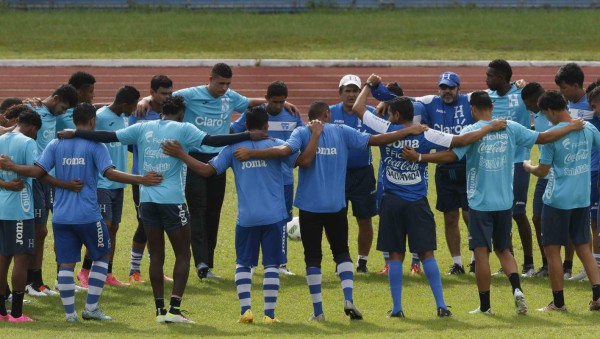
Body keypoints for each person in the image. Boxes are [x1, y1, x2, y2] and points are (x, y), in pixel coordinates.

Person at [61, 96, 267, 323]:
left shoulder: (142, 128)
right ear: (181, 112)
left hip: (147, 201)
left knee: (156, 255)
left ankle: (159, 311)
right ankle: (174, 310)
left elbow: (108, 136)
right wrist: (248, 135)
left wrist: (77, 133)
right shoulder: (184, 128)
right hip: (172, 202)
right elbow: (214, 140)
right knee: (183, 254)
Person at [232, 100, 437, 321]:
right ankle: (348, 298)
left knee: (312, 257)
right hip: (336, 205)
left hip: (309, 206)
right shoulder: (343, 131)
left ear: (310, 117)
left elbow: (286, 152)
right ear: (327, 114)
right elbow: (376, 140)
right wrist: (409, 130)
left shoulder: (302, 132)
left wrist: (252, 153)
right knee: (342, 252)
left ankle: (318, 311)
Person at [401, 91, 584, 315]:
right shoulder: (510, 127)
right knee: (504, 250)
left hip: (480, 202)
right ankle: (517, 289)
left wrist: (420, 157)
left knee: (481, 254)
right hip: (505, 202)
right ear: (491, 106)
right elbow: (543, 138)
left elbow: (450, 156)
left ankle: (486, 306)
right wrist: (572, 127)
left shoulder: (471, 131)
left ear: (473, 109)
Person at [353, 83, 509, 318]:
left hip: (391, 201)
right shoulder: (425, 133)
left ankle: (397, 309)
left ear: (395, 115)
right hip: (417, 202)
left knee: (395, 255)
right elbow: (461, 140)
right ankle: (441, 306)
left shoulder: (386, 129)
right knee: (427, 254)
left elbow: (358, 108)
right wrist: (490, 127)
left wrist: (368, 84)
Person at [0, 103, 163, 322]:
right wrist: (140, 179)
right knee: (103, 254)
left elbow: (39, 173)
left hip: (60, 217)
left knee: (66, 263)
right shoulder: (95, 146)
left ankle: (70, 315)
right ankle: (91, 308)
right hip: (88, 215)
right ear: (93, 121)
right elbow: (110, 174)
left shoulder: (55, 144)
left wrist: (14, 168)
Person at [136, 63, 297, 279]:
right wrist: (145, 100)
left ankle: (208, 264)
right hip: (195, 157)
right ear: (210, 79)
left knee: (214, 211)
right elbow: (167, 98)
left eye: (228, 84)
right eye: (221, 83)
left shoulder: (230, 97)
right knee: (198, 210)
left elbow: (249, 103)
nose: (224, 88)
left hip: (219, 158)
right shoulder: (191, 95)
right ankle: (201, 263)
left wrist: (284, 103)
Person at [163, 106, 301, 323]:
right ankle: (269, 315)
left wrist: (181, 154)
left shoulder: (233, 148)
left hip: (246, 218)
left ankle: (245, 311)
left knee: (243, 264)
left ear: (246, 126)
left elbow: (206, 171)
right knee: (272, 265)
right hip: (274, 216)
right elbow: (301, 160)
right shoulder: (277, 146)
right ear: (266, 126)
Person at [522, 90, 600, 312]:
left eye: (546, 114)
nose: (547, 119)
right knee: (584, 247)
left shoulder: (551, 135)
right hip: (582, 197)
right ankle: (598, 296)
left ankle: (558, 303)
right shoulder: (587, 128)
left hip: (557, 199)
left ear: (551, 110)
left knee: (552, 250)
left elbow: (543, 170)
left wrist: (528, 166)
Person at [231, 80, 303, 276]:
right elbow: (233, 131)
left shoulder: (293, 115)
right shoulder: (255, 114)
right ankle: (251, 263)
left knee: (281, 221)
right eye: (275, 102)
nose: (278, 106)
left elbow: (302, 138)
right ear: (266, 99)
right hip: (257, 176)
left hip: (285, 179)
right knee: (255, 218)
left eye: (282, 102)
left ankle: (280, 264)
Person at [77, 85, 140, 288]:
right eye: (133, 105)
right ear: (124, 104)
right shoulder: (100, 117)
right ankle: (86, 270)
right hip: (101, 180)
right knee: (104, 226)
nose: (134, 110)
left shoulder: (122, 117)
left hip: (118, 182)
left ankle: (107, 272)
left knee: (114, 228)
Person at [412, 71, 474, 275]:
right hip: (443, 168)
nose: (446, 91)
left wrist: (517, 86)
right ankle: (457, 263)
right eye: (443, 87)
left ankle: (475, 258)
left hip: (467, 166)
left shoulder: (469, 100)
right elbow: (402, 100)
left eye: (450, 87)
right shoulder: (430, 102)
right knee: (450, 217)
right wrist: (381, 98)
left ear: (459, 88)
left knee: (469, 214)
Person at [367, 77, 426, 275]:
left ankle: (414, 262)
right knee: (387, 219)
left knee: (408, 221)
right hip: (389, 175)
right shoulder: (386, 117)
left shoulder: (409, 115)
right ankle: (390, 263)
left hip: (408, 175)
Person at [26, 84, 78, 297]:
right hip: (35, 178)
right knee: (39, 231)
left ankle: (37, 282)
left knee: (43, 231)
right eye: (63, 107)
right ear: (55, 98)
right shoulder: (32, 112)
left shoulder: (53, 115)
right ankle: (31, 281)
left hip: (48, 179)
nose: (63, 113)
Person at [486, 59, 536, 277]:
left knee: (518, 212)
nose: (486, 79)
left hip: (518, 161)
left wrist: (522, 84)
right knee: (501, 212)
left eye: (490, 76)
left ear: (502, 77)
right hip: (497, 163)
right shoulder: (487, 98)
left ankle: (530, 263)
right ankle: (509, 261)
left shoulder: (520, 94)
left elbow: (541, 98)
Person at [328, 74, 378, 273]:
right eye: (347, 91)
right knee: (337, 219)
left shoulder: (370, 113)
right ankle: (342, 260)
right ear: (340, 93)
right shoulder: (329, 113)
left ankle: (362, 262)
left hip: (363, 174)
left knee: (364, 219)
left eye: (355, 91)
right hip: (337, 174)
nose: (351, 95)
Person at [555, 63, 600, 282]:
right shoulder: (566, 104)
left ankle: (594, 264)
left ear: (575, 85)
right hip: (574, 168)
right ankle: (589, 264)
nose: (561, 92)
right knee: (584, 219)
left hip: (593, 167)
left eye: (564, 88)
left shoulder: (592, 104)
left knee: (592, 219)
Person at [128, 75, 173, 283]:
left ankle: (156, 269)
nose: (167, 97)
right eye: (163, 93)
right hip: (142, 178)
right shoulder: (139, 113)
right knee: (145, 224)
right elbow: (129, 143)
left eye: (169, 93)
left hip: (166, 178)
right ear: (152, 92)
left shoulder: (170, 113)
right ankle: (134, 270)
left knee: (159, 225)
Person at [0, 108, 42, 322]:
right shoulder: (27, 142)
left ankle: (0, 312)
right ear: (32, 128)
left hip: (1, 206)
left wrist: (4, 182)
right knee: (21, 259)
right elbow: (37, 171)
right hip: (19, 209)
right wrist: (14, 168)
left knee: (2, 258)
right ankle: (16, 313)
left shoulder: (0, 138)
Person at [521, 82, 553, 277]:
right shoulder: (539, 115)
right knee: (537, 217)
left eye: (529, 104)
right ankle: (547, 264)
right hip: (543, 174)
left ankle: (565, 266)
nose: (527, 109)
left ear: (538, 99)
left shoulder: (557, 110)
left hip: (559, 175)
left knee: (567, 222)